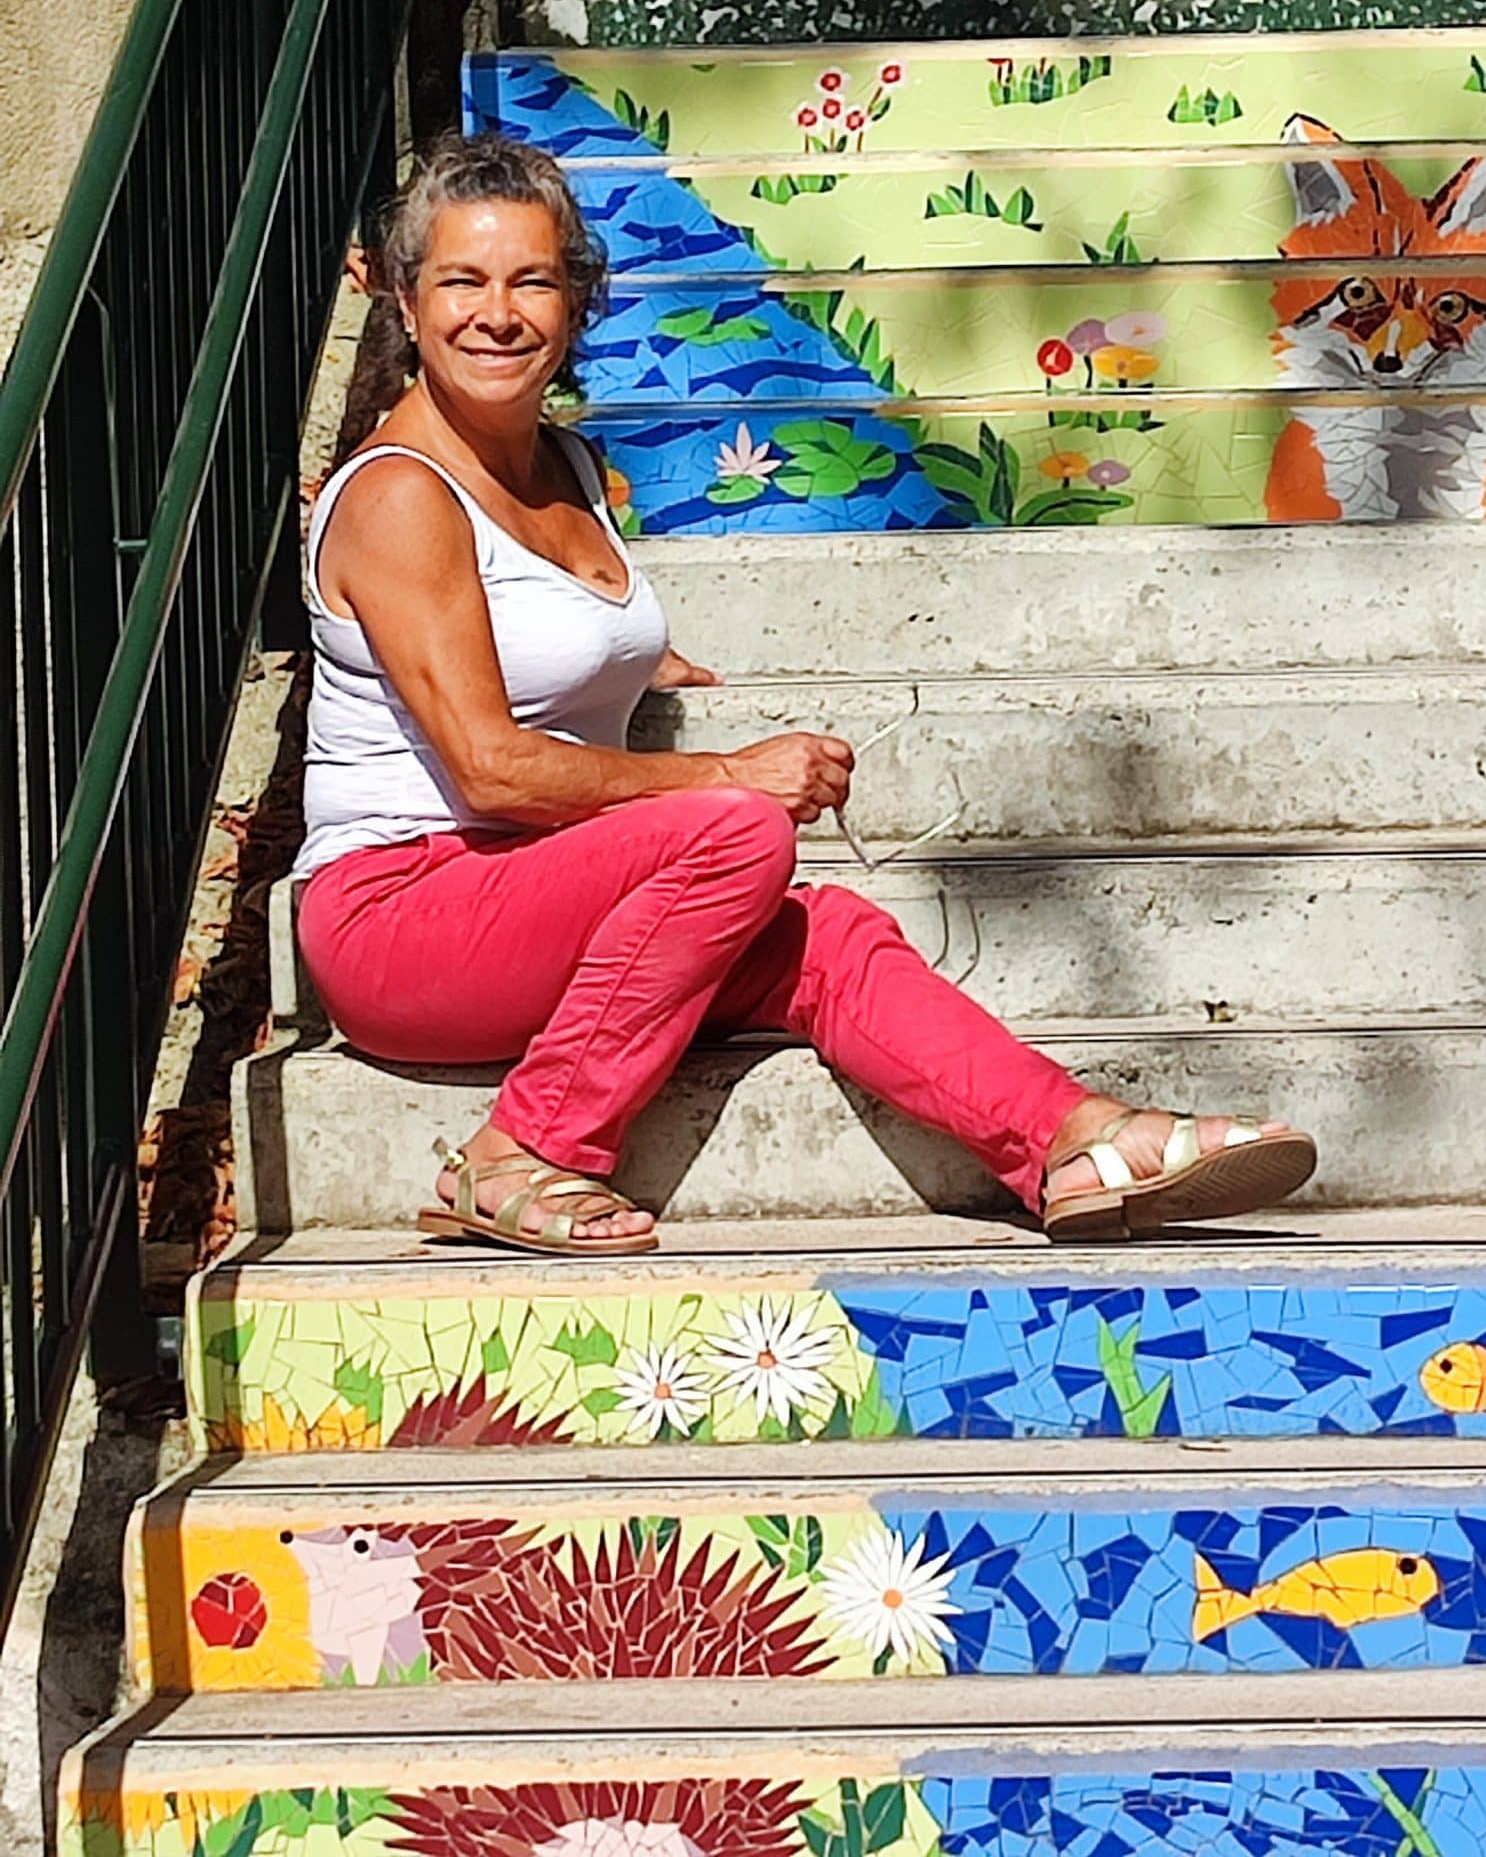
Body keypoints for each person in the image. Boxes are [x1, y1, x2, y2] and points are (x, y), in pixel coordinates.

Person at [292, 130, 1318, 1253]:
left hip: (534, 902)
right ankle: (523, 1152)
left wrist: (632, 654)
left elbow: (535, 634)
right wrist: (726, 774)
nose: (499, 313)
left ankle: (1073, 1137)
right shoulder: (401, 494)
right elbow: (491, 766)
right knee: (730, 837)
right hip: (403, 915)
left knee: (826, 932)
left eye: (533, 279)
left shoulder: (570, 469)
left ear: (575, 300)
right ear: (403, 295)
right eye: (462, 281)